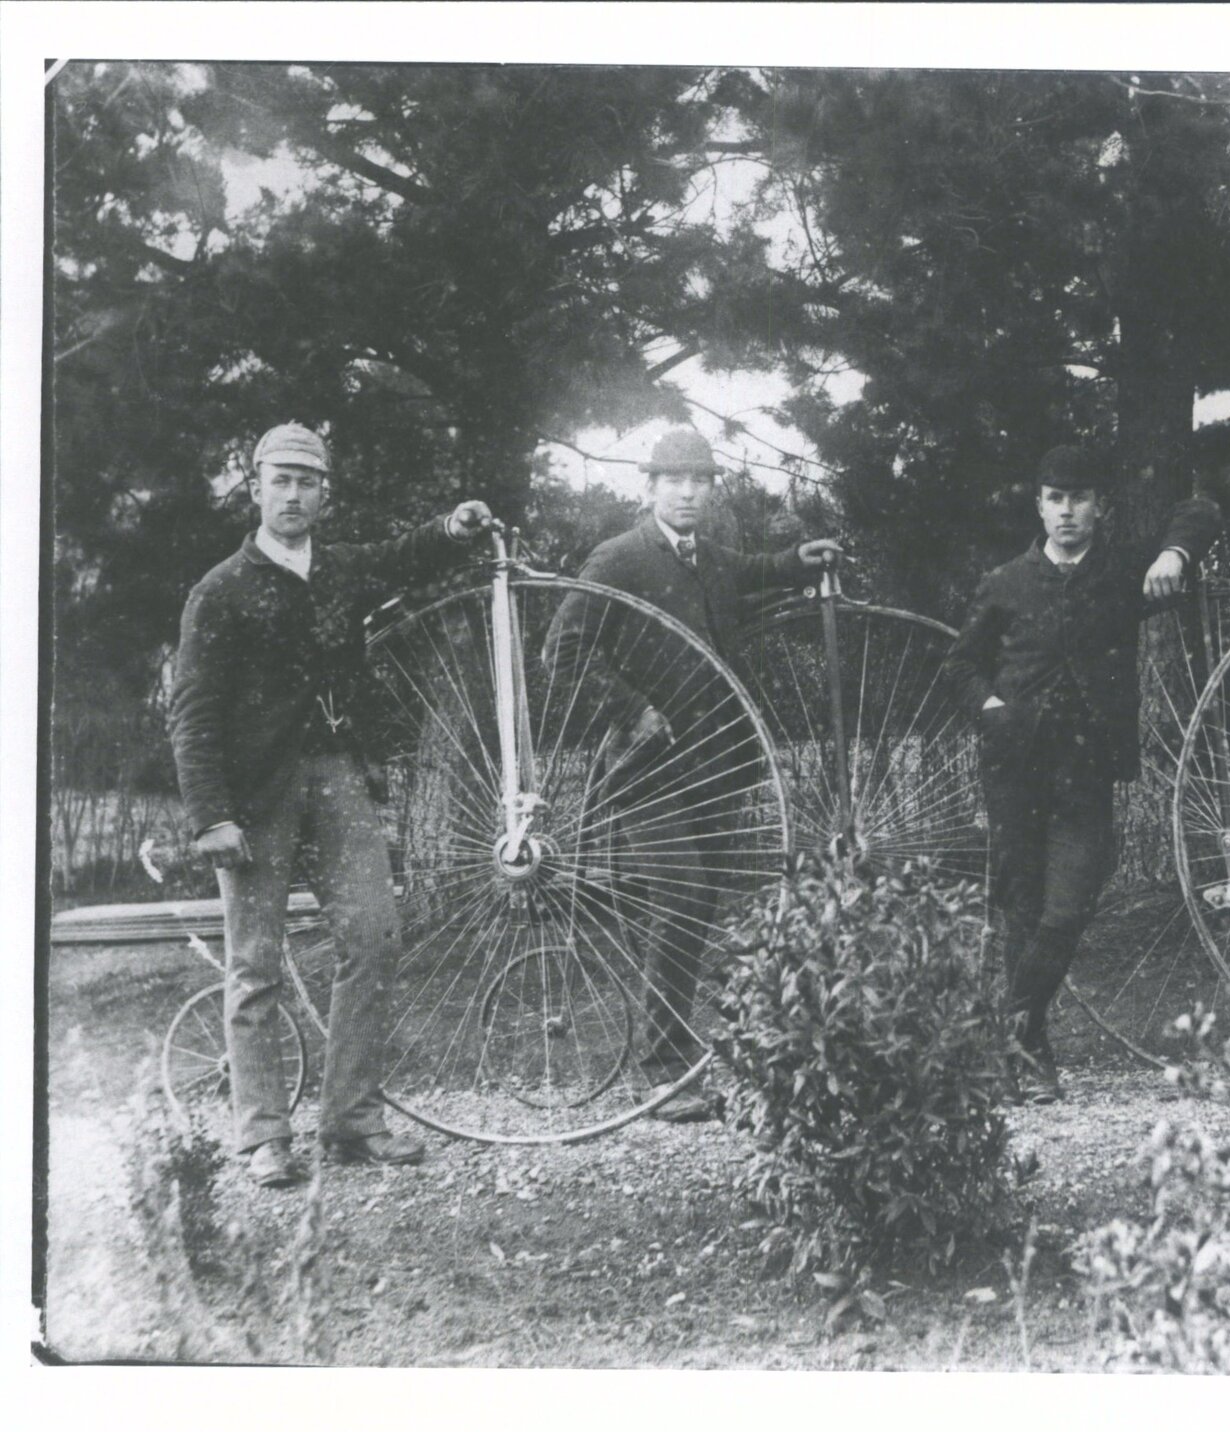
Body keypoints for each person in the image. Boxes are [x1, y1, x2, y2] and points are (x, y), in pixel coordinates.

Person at [171, 422, 500, 1187]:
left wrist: (452, 528)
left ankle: (351, 1119)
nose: (292, 494)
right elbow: (193, 712)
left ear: (326, 494)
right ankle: (261, 1136)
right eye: (279, 479)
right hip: (255, 797)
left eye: (307, 482)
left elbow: (405, 554)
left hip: (339, 778)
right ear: (254, 487)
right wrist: (210, 815)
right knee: (254, 964)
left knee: (376, 937)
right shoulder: (218, 591)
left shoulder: (341, 569)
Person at [543, 426, 841, 1120]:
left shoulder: (709, 557)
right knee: (680, 898)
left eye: (700, 481)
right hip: (646, 772)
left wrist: (800, 558)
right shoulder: (618, 559)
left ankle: (683, 1060)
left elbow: (758, 570)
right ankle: (662, 1070)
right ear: (647, 488)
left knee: (701, 906)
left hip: (716, 766)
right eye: (674, 481)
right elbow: (562, 650)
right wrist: (629, 707)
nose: (687, 492)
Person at [941, 445, 1221, 1102]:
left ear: (1100, 508)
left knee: (1068, 909)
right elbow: (957, 667)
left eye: (1080, 499)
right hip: (1013, 769)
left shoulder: (1125, 575)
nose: (1067, 512)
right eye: (1055, 499)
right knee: (1023, 910)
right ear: (1039, 506)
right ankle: (1028, 1055)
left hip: (1087, 770)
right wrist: (993, 710)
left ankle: (998, 1034)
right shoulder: (1004, 582)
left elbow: (1201, 507)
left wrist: (1174, 554)